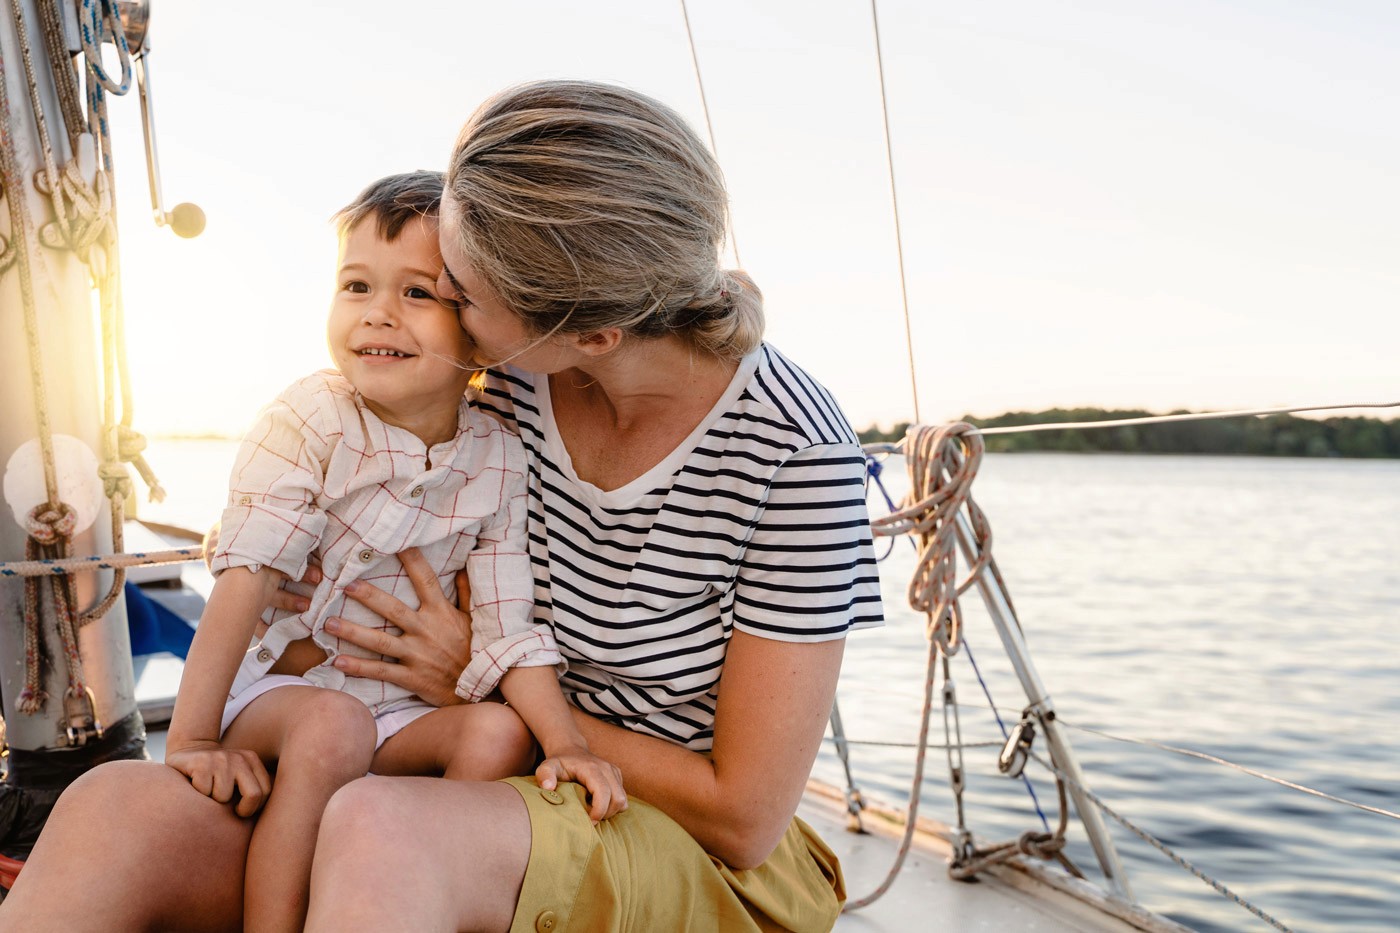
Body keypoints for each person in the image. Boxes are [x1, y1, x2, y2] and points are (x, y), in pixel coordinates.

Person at [0, 80, 880, 933]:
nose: (438, 303)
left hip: (660, 825)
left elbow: (742, 817)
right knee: (113, 809)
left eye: (457, 290)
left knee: (382, 833)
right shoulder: (505, 382)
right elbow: (350, 465)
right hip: (436, 745)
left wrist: (473, 672)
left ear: (588, 336)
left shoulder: (797, 454)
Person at [166, 170, 625, 932]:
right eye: (356, 285)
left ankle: (403, 892)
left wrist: (568, 743)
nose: (378, 312)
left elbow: (507, 625)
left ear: (478, 333)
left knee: (499, 731)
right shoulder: (308, 419)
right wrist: (194, 737)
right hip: (279, 696)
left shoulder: (498, 456)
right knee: (331, 727)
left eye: (416, 293)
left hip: (399, 712)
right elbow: (245, 578)